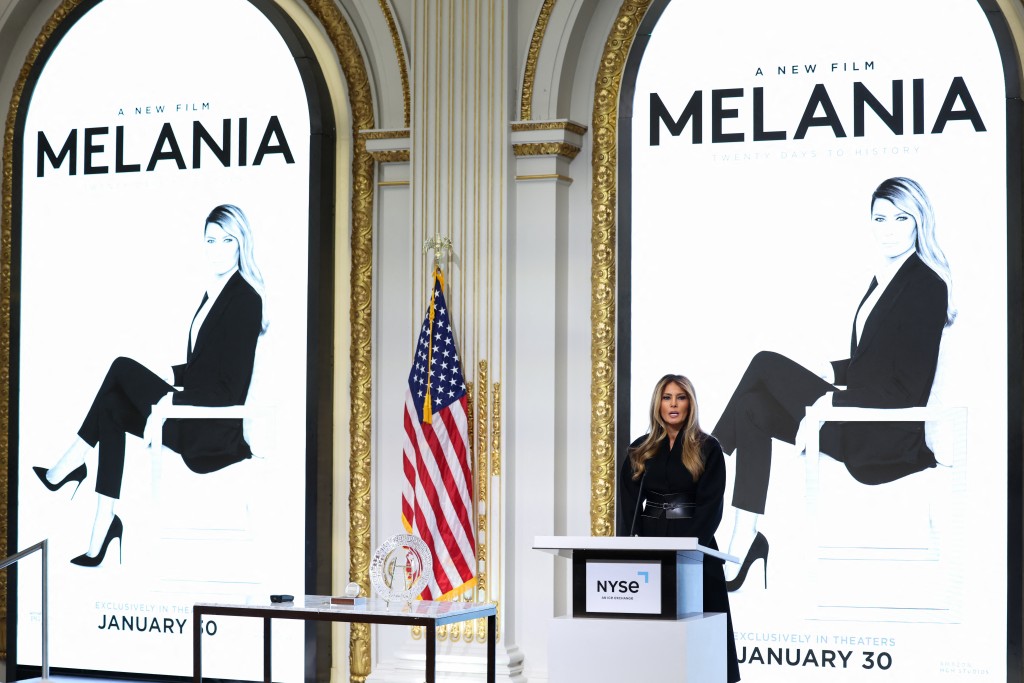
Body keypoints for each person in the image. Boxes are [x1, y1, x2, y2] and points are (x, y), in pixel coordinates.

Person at [713, 177, 955, 591]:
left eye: (901, 218)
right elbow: (877, 364)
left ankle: (704, 458)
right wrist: (832, 371)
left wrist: (832, 405)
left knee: (764, 362)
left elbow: (905, 390)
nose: (889, 229)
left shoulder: (926, 286)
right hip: (859, 422)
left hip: (884, 438)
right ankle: (745, 535)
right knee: (752, 409)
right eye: (880, 219)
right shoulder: (888, 278)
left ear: (919, 221)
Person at [33, 204, 268, 567]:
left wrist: (174, 401)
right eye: (210, 240)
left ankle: (71, 463)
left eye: (227, 241)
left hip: (210, 431)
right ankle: (104, 521)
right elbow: (207, 369)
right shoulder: (216, 293)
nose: (217, 249)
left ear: (241, 244)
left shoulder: (246, 300)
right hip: (192, 416)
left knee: (121, 367)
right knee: (112, 406)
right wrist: (171, 375)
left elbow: (229, 390)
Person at [619, 373, 741, 683]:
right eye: (667, 397)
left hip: (695, 546)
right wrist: (632, 547)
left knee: (703, 631)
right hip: (651, 544)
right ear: (658, 404)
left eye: (681, 397)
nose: (673, 404)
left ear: (690, 404)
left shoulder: (708, 447)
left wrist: (688, 550)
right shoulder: (640, 449)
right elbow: (629, 506)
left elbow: (711, 505)